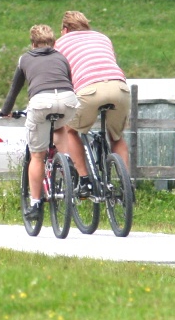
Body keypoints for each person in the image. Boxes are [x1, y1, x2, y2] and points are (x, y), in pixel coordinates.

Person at [0, 24, 78, 220]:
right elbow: (67, 81)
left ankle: (35, 203)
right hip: (68, 101)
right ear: (53, 42)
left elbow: (15, 89)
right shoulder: (61, 57)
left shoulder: (25, 58)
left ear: (33, 43)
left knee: (37, 156)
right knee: (60, 128)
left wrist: (5, 111)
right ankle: (67, 163)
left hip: (41, 103)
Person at [54, 11, 131, 197]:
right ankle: (126, 186)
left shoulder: (60, 43)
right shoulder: (103, 38)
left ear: (65, 29)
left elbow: (61, 75)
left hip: (89, 90)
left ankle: (85, 181)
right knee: (117, 137)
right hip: (119, 87)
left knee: (71, 131)